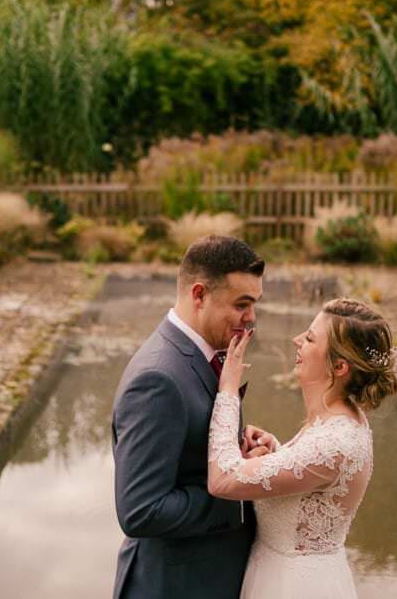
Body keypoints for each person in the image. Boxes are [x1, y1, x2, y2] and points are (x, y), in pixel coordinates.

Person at [111, 235, 278, 599]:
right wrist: (238, 489)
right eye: (242, 304)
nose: (251, 318)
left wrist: (238, 448)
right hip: (176, 586)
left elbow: (189, 443)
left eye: (255, 304)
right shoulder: (158, 378)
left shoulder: (201, 353)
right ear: (199, 294)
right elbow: (141, 511)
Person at [208, 297, 397, 598]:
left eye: (310, 338)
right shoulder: (338, 419)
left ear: (338, 366)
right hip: (278, 573)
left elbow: (222, 479)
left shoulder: (336, 442)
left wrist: (228, 391)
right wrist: (277, 453)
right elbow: (310, 486)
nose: (297, 340)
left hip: (295, 586)